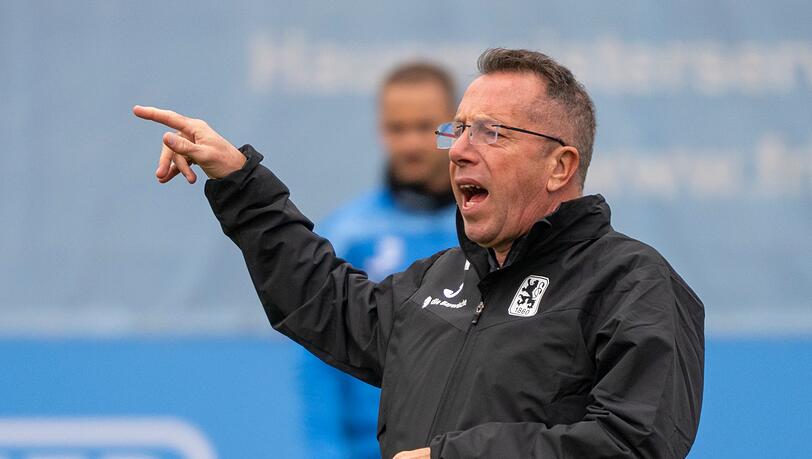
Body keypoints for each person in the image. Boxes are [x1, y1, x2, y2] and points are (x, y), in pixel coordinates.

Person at [134, 48, 705, 458]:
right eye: (456, 131)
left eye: (490, 132)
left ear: (561, 165)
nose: (457, 151)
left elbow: (637, 443)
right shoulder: (440, 280)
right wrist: (238, 180)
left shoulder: (633, 283)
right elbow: (324, 301)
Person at [300, 62, 459, 459]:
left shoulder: (488, 227)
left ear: (455, 127)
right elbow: (318, 360)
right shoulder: (347, 234)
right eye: (397, 128)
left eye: (425, 127)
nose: (410, 144)